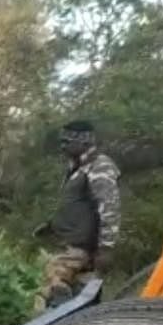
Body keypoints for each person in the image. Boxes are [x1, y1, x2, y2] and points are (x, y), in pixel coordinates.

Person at [32, 120, 121, 311]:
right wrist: (51, 225)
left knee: (48, 285)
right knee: (80, 302)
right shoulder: (77, 167)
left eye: (67, 142)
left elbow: (109, 207)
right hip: (73, 243)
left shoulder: (99, 166)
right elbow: (76, 206)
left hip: (82, 247)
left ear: (84, 142)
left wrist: (106, 248)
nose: (63, 146)